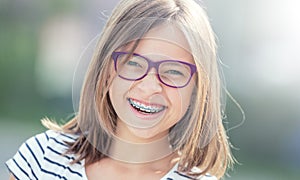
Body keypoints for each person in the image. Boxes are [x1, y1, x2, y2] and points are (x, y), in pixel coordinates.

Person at [6, 0, 235, 179]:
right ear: (105, 72)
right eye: (133, 64)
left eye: (174, 71)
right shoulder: (42, 158)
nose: (150, 87)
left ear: (197, 89)